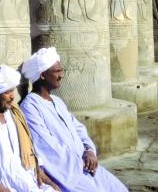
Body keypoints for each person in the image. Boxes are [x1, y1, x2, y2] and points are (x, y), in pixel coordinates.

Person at [20, 47, 128, 192]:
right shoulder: (30, 106)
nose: (61, 75)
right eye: (57, 71)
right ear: (43, 75)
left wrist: (89, 150)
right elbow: (46, 145)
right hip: (67, 173)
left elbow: (78, 128)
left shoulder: (57, 101)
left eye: (61, 70)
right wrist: (79, 163)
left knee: (119, 188)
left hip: (87, 164)